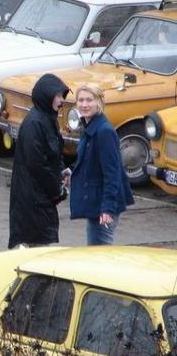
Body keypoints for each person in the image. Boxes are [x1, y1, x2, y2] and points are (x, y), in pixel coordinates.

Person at [8, 73, 70, 249]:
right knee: (37, 247)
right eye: (58, 96)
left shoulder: (48, 119)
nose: (61, 100)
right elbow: (37, 164)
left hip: (40, 197)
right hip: (33, 199)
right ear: (47, 96)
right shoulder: (35, 123)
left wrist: (60, 174)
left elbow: (54, 153)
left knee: (39, 244)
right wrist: (56, 189)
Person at [69, 83, 134, 245]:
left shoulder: (104, 131)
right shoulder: (90, 126)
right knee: (96, 250)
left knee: (100, 252)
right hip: (95, 203)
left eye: (89, 100)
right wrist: (70, 171)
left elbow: (112, 174)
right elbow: (87, 160)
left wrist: (107, 208)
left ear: (99, 102)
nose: (84, 105)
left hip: (103, 207)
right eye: (81, 100)